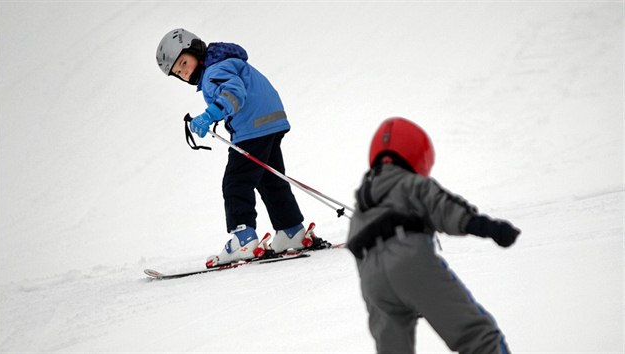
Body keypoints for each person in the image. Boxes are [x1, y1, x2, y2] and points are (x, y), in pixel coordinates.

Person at [347, 117, 520, 354]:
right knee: (478, 336)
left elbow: (356, 252)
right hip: (412, 266)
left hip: (374, 284)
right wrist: (489, 228)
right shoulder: (411, 183)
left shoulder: (360, 208)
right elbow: (444, 206)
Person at [156, 28, 313, 266]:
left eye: (184, 63)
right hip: (270, 122)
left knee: (235, 182)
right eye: (178, 72)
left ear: (195, 49)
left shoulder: (213, 71)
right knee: (270, 179)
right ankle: (291, 230)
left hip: (252, 127)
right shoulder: (226, 62)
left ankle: (243, 239)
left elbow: (233, 93)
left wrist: (209, 115)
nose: (185, 72)